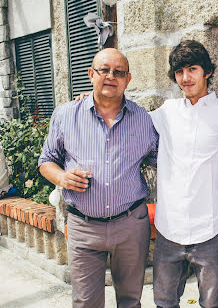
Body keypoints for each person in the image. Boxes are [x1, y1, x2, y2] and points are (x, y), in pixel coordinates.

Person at [39, 48, 159, 308]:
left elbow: (163, 160)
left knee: (130, 301)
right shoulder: (65, 115)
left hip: (130, 225)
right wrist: (61, 177)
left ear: (128, 79)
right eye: (104, 70)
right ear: (91, 74)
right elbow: (46, 160)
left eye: (119, 72)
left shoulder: (143, 119)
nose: (111, 76)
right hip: (84, 226)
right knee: (85, 303)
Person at [149, 40, 218, 308]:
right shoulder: (166, 113)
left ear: (208, 72)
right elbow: (128, 120)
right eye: (180, 71)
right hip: (170, 227)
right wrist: (93, 101)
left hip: (211, 228)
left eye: (192, 69)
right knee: (164, 302)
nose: (186, 77)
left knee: (210, 304)